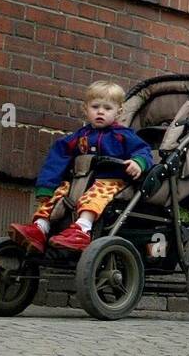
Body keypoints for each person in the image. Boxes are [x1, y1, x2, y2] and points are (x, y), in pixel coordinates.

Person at [9, 80, 154, 252]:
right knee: (60, 193)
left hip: (111, 181)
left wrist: (138, 162)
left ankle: (82, 229)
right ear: (85, 109)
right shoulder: (79, 137)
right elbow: (57, 158)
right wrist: (46, 186)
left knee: (95, 195)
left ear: (119, 112)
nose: (100, 112)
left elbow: (144, 150)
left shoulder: (123, 135)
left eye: (107, 108)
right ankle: (40, 227)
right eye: (95, 107)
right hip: (81, 181)